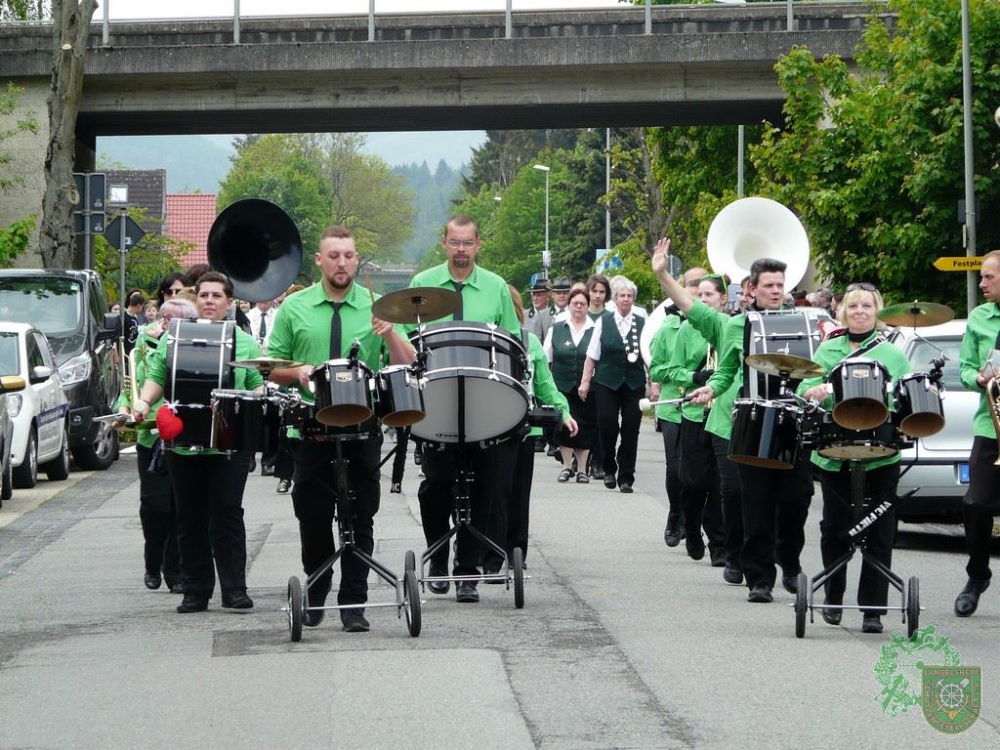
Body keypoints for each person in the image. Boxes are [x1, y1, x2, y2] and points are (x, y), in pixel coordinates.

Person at [268, 227, 413, 632]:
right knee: (312, 517)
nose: (342, 263)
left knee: (360, 516)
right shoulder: (295, 307)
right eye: (334, 255)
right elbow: (271, 368)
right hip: (310, 430)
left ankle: (354, 603)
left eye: (349, 256)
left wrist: (391, 333)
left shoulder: (374, 305)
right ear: (320, 260)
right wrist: (295, 371)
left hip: (361, 426)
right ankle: (316, 588)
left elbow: (406, 362)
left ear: (356, 258)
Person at [653, 240, 812, 597]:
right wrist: (712, 388)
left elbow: (816, 369)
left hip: (792, 423)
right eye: (768, 285)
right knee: (751, 501)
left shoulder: (800, 321)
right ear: (752, 289)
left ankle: (790, 559)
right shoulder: (734, 326)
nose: (775, 291)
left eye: (779, 285)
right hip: (751, 422)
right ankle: (759, 578)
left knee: (796, 500)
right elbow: (724, 368)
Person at [132, 271, 264, 614]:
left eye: (216, 296)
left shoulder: (244, 341)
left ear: (229, 303)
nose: (209, 301)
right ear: (196, 299)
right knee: (189, 516)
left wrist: (264, 395)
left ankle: (235, 589)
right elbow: (157, 376)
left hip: (229, 443)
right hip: (183, 440)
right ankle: (196, 590)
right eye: (204, 295)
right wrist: (144, 402)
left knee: (227, 512)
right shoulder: (173, 337)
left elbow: (255, 384)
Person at [408, 214, 520, 603]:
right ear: (444, 243)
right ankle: (438, 557)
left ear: (478, 245)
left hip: (484, 403)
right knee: (436, 484)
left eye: (467, 243)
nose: (460, 250)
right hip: (436, 402)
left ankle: (467, 570)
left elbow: (512, 342)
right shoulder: (422, 283)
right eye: (454, 242)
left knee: (483, 486)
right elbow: (409, 345)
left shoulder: (495, 287)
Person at [798, 282, 911, 634]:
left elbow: (906, 395)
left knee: (880, 532)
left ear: (877, 312)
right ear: (842, 311)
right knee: (834, 528)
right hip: (835, 452)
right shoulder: (828, 348)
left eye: (867, 306)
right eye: (853, 306)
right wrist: (813, 390)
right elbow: (804, 387)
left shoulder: (893, 353)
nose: (860, 311)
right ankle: (833, 600)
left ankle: (873, 610)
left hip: (881, 452)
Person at [482, 285, 576, 573]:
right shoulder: (481, 340)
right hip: (489, 427)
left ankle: (515, 552)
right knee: (493, 493)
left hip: (524, 428)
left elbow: (545, 385)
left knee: (519, 493)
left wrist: (564, 412)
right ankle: (491, 556)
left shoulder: (530, 341)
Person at [115, 296, 198, 595]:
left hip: (183, 434)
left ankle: (173, 571)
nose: (168, 323)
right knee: (155, 506)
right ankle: (153, 561)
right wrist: (124, 408)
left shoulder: (195, 344)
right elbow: (131, 385)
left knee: (178, 507)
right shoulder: (143, 344)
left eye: (177, 319)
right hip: (149, 433)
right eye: (166, 318)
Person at [664, 275, 728, 565]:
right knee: (692, 483)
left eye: (709, 295)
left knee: (718, 485)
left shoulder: (731, 329)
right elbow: (671, 370)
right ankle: (691, 528)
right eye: (699, 295)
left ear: (723, 299)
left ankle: (718, 545)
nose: (703, 300)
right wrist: (693, 377)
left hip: (722, 417)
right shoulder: (687, 330)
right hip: (693, 414)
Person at [954, 249, 1000, 617]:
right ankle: (978, 574)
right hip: (992, 424)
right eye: (982, 276)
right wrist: (978, 378)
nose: (981, 283)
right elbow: (966, 368)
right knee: (976, 503)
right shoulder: (980, 318)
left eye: (989, 277)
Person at [580, 275, 647, 494]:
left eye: (629, 296)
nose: (626, 299)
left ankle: (627, 476)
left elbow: (649, 356)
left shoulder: (641, 322)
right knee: (608, 425)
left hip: (634, 383)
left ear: (633, 299)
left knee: (631, 429)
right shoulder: (604, 322)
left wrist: (654, 383)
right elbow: (592, 355)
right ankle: (608, 467)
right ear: (615, 299)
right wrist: (585, 382)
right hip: (607, 382)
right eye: (622, 295)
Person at [544, 287, 595, 483]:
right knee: (564, 427)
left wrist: (589, 380)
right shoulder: (556, 328)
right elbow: (545, 357)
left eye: (583, 304)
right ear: (569, 306)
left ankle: (582, 469)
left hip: (587, 388)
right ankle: (566, 466)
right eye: (575, 303)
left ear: (588, 306)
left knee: (585, 425)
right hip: (562, 385)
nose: (579, 307)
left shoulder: (594, 328)